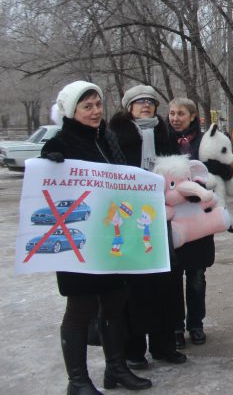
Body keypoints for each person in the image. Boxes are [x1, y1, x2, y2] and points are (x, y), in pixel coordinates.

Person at [41, 81, 152, 393]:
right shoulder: (61, 142)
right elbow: (45, 181)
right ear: (71, 110)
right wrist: (50, 160)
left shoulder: (107, 138)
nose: (95, 112)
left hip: (110, 238)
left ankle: (116, 368)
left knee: (114, 305)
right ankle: (77, 381)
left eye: (98, 105)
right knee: (80, 310)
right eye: (87, 106)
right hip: (78, 243)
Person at [109, 85, 186, 369]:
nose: (146, 105)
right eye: (140, 101)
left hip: (161, 216)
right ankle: (134, 349)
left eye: (150, 102)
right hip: (128, 218)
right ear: (129, 106)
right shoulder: (115, 134)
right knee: (135, 286)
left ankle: (164, 345)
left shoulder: (165, 133)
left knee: (166, 282)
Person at [167, 98, 212, 348]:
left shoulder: (204, 142)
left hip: (198, 218)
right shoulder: (163, 140)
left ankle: (196, 324)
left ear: (193, 116)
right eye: (172, 113)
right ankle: (175, 326)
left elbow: (216, 172)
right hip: (172, 218)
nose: (175, 118)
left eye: (181, 114)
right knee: (172, 277)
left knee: (196, 275)